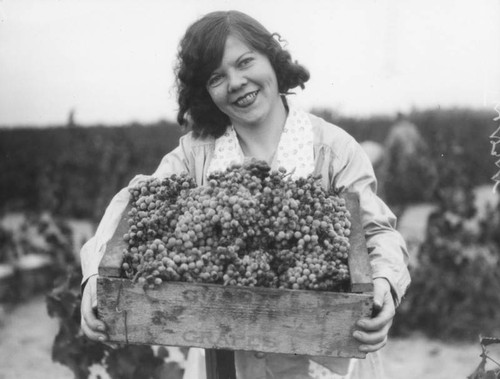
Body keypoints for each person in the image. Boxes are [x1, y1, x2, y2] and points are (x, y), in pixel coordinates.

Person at [80, 10, 411, 379]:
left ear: (272, 59)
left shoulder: (333, 150)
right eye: (216, 77)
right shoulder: (196, 154)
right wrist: (95, 276)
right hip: (225, 363)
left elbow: (377, 231)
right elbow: (133, 202)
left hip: (323, 361)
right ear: (204, 91)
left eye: (245, 62)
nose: (236, 82)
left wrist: (384, 283)